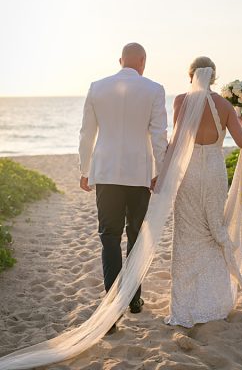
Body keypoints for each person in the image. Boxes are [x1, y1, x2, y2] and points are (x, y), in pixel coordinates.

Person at [78, 42, 168, 334]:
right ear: (143, 61)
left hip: (105, 173)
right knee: (136, 237)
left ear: (120, 60)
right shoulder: (154, 89)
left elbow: (86, 133)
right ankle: (134, 299)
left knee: (109, 237)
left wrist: (84, 169)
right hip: (138, 173)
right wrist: (161, 171)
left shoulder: (97, 87)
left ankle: (111, 309)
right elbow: (158, 135)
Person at [165, 56, 242, 327]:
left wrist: (164, 175)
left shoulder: (181, 101)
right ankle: (213, 302)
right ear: (214, 77)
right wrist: (241, 119)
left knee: (187, 233)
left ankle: (186, 303)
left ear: (191, 75)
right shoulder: (225, 106)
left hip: (188, 173)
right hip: (213, 172)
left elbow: (176, 141)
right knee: (214, 230)